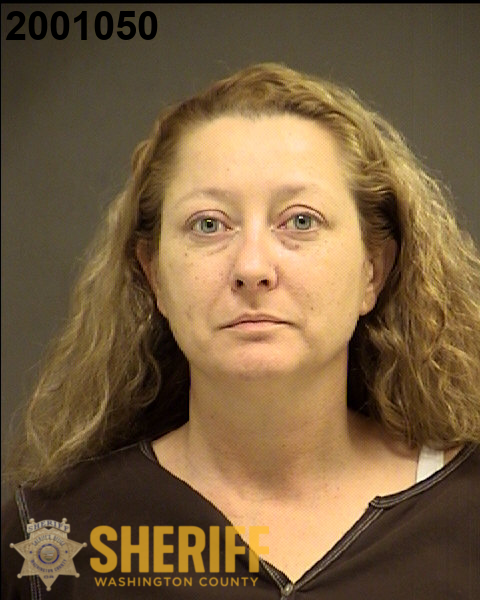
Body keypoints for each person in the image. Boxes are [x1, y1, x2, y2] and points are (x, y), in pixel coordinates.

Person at [2, 63, 479, 599]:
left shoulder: (467, 512)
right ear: (154, 276)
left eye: (300, 220)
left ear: (373, 271)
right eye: (209, 224)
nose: (252, 267)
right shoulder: (51, 538)